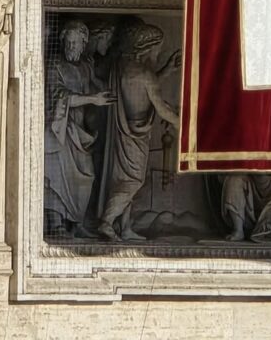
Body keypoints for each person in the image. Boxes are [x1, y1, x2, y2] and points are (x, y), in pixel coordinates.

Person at [96, 22, 182, 242]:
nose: (159, 53)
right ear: (147, 48)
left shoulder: (122, 67)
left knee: (123, 179)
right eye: (157, 49)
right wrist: (184, 125)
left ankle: (125, 227)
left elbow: (139, 89)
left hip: (123, 131)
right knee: (133, 181)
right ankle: (106, 222)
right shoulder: (145, 74)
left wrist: (166, 70)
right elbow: (162, 108)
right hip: (135, 135)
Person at [43, 20, 113, 237]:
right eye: (68, 42)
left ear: (84, 44)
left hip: (80, 132)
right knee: (56, 176)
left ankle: (78, 222)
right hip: (60, 130)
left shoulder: (85, 66)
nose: (71, 47)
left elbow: (97, 84)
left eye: (75, 43)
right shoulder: (55, 64)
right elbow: (58, 95)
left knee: (87, 174)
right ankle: (56, 225)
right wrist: (93, 99)